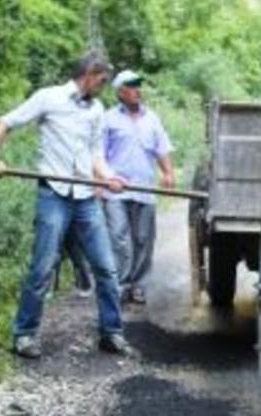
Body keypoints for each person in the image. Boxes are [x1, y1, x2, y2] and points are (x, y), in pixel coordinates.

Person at [0, 50, 132, 358]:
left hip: (86, 198)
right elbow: (5, 122)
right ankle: (24, 335)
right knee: (43, 267)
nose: (103, 87)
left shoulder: (96, 109)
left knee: (106, 267)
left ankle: (111, 333)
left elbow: (96, 155)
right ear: (89, 75)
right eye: (102, 81)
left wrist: (109, 176)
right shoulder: (48, 98)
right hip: (54, 194)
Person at [103, 70, 175, 305]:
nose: (137, 90)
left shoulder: (151, 118)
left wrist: (168, 172)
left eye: (138, 85)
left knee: (144, 239)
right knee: (119, 237)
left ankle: (139, 285)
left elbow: (161, 148)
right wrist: (99, 181)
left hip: (144, 189)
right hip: (115, 189)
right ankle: (121, 285)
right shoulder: (108, 118)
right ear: (121, 92)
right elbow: (98, 155)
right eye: (132, 86)